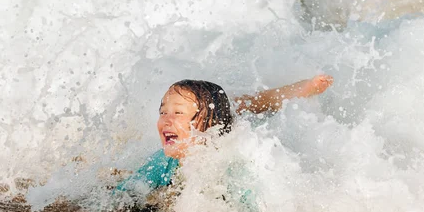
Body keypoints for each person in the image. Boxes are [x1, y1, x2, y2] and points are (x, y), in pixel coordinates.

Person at [116, 75, 333, 195]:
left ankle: (303, 88)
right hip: (211, 115)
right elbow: (129, 188)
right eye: (163, 112)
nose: (166, 119)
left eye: (178, 113)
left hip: (231, 120)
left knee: (255, 103)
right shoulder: (163, 160)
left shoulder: (230, 164)